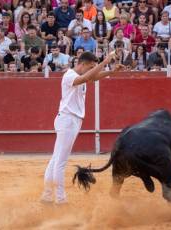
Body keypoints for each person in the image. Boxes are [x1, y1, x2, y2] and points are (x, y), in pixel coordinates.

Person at [40, 51, 123, 205]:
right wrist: (105, 61)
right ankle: (60, 198)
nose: (92, 69)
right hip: (68, 120)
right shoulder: (70, 75)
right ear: (82, 64)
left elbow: (91, 77)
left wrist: (111, 71)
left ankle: (47, 195)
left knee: (55, 160)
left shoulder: (78, 75)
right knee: (60, 162)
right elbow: (87, 77)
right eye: (91, 66)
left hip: (70, 120)